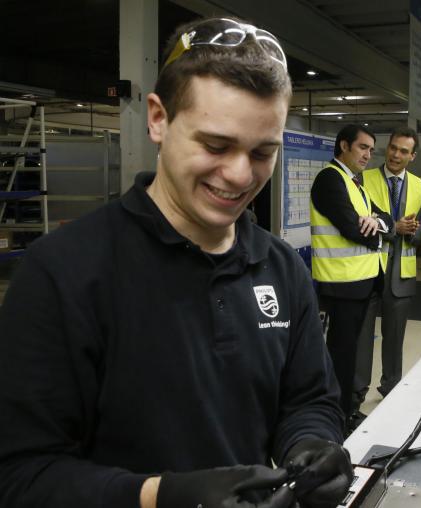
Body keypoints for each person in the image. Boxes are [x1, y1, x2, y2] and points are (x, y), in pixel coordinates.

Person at [0, 17, 351, 508]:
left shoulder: (281, 268)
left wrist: (311, 445)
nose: (239, 174)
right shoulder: (63, 273)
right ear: (158, 118)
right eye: (216, 145)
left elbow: (308, 400)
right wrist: (159, 496)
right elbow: (21, 476)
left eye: (263, 152)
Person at [309, 124, 393, 430]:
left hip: (361, 283)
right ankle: (338, 418)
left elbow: (386, 218)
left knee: (350, 355)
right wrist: (374, 231)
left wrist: (377, 224)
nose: (369, 155)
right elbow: (351, 228)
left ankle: (346, 411)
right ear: (344, 145)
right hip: (341, 284)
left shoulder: (354, 183)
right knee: (341, 357)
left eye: (371, 149)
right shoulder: (330, 179)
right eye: (363, 147)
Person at [353, 127, 421, 412]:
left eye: (403, 151)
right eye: (393, 148)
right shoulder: (363, 179)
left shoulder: (420, 186)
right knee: (362, 337)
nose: (396, 155)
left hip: (402, 273)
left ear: (413, 156)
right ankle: (356, 394)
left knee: (395, 336)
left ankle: (391, 389)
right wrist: (392, 229)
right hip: (368, 269)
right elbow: (357, 221)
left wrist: (415, 232)